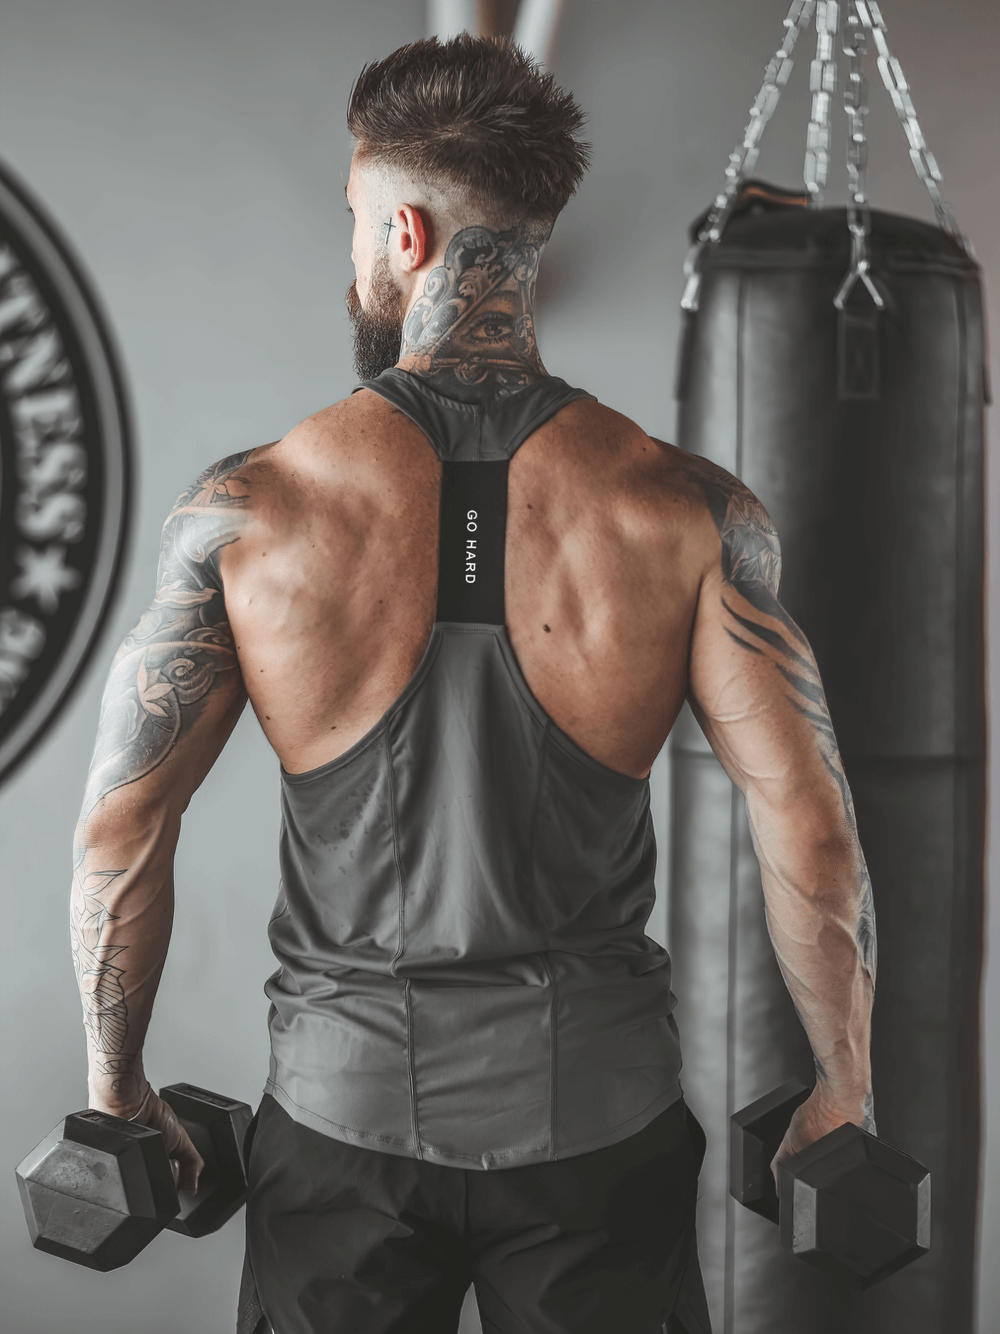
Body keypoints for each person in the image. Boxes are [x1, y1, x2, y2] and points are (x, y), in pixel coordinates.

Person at [70, 35, 876, 1334]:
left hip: (339, 1142)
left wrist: (117, 1089)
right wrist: (846, 1087)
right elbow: (816, 830)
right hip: (597, 1145)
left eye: (350, 226)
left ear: (403, 229)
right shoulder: (684, 514)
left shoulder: (251, 509)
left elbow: (123, 826)